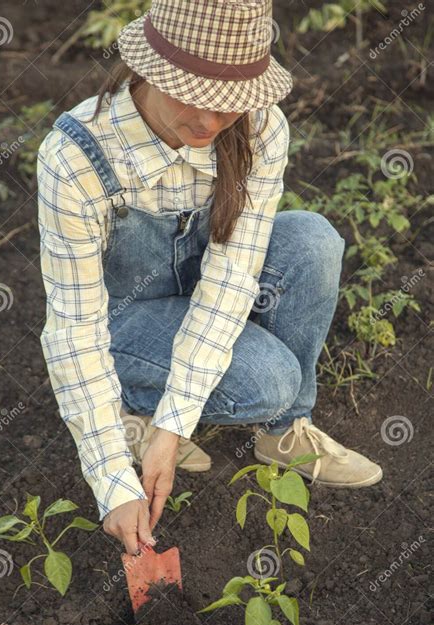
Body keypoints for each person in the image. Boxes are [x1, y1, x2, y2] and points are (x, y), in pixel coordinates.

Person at [37, 0, 382, 556]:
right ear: (149, 68)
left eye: (225, 105)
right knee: (266, 381)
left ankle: (281, 432)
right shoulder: (77, 157)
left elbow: (229, 281)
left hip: (199, 292)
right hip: (123, 321)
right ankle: (131, 408)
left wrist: (172, 431)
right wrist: (111, 483)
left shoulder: (261, 125)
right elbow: (75, 330)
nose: (207, 121)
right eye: (191, 95)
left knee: (311, 241)